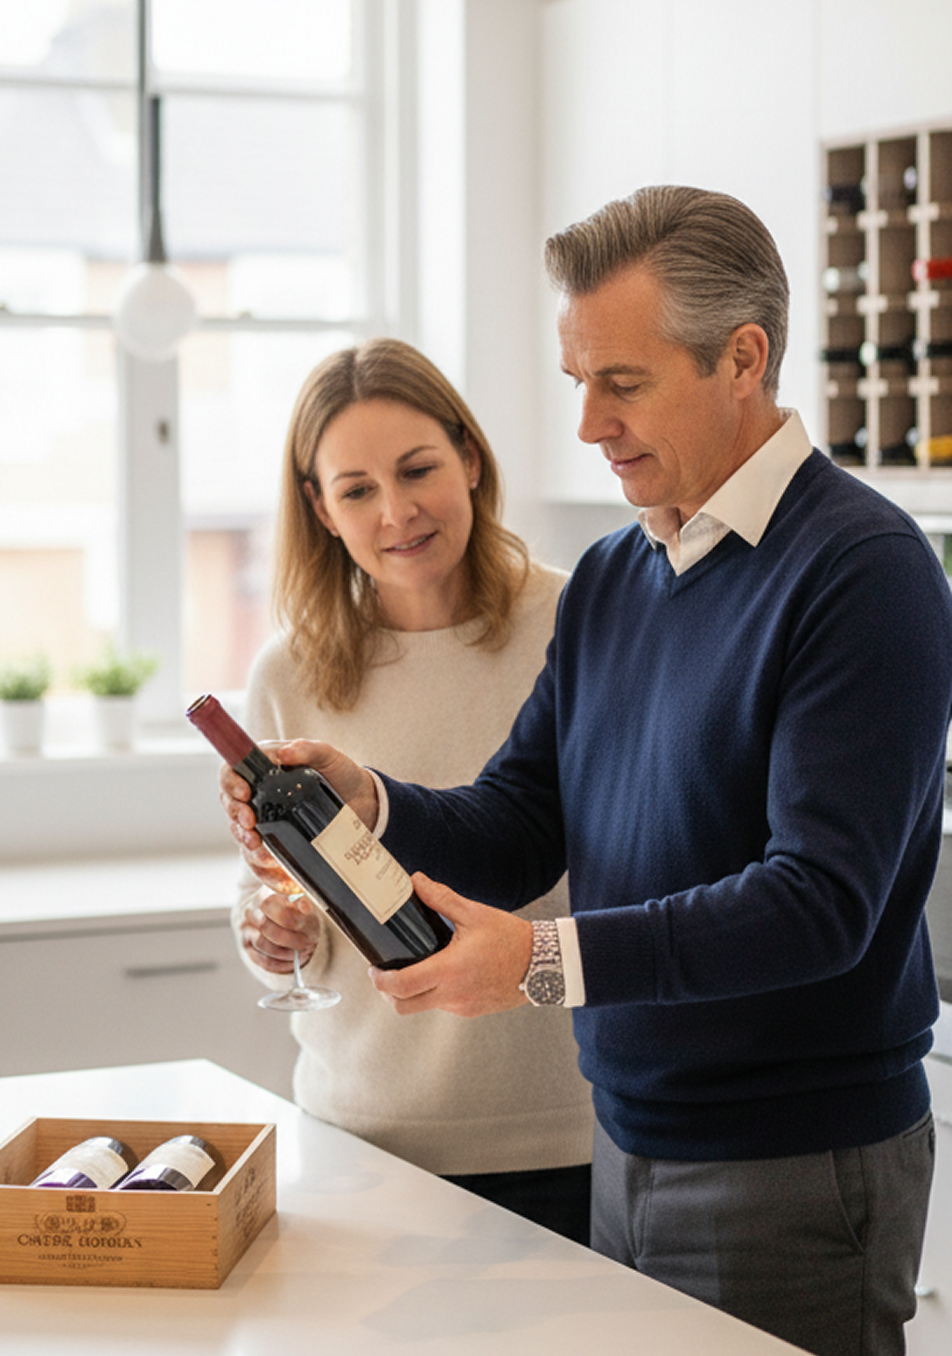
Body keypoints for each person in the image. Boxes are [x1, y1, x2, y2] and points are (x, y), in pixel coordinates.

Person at [224, 188, 952, 1356]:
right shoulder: (619, 573)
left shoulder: (862, 568)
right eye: (577, 381)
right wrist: (372, 801)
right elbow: (522, 822)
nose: (587, 424)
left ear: (741, 359)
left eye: (622, 382)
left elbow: (818, 904)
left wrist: (537, 963)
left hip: (794, 1160)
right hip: (627, 1139)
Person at [227, 336, 593, 1244]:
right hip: (360, 1137)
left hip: (564, 1131)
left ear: (470, 458)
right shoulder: (286, 674)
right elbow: (270, 888)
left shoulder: (581, 623)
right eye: (356, 490)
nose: (397, 511)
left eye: (418, 469)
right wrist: (271, 935)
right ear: (320, 508)